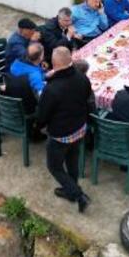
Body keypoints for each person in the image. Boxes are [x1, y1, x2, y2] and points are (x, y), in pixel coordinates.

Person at [36, 47, 93, 212]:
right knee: (72, 161)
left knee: (54, 167)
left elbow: (42, 116)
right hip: (79, 128)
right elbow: (86, 98)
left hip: (61, 134)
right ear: (70, 61)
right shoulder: (82, 78)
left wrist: (38, 127)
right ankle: (70, 190)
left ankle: (77, 194)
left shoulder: (52, 89)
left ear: (53, 64)